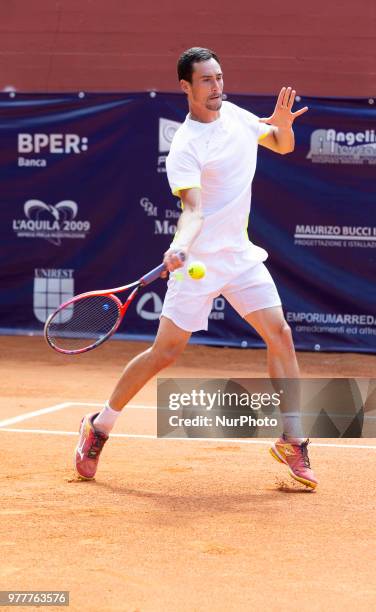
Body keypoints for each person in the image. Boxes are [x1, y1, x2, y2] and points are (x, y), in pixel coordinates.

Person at [74, 47, 318, 489]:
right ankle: (100, 425)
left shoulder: (240, 118)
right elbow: (192, 208)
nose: (216, 87)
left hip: (239, 256)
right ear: (185, 87)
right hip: (198, 262)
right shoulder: (185, 146)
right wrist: (181, 247)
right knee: (164, 353)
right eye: (206, 81)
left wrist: (282, 127)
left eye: (220, 78)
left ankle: (292, 438)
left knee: (279, 333)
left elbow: (281, 145)